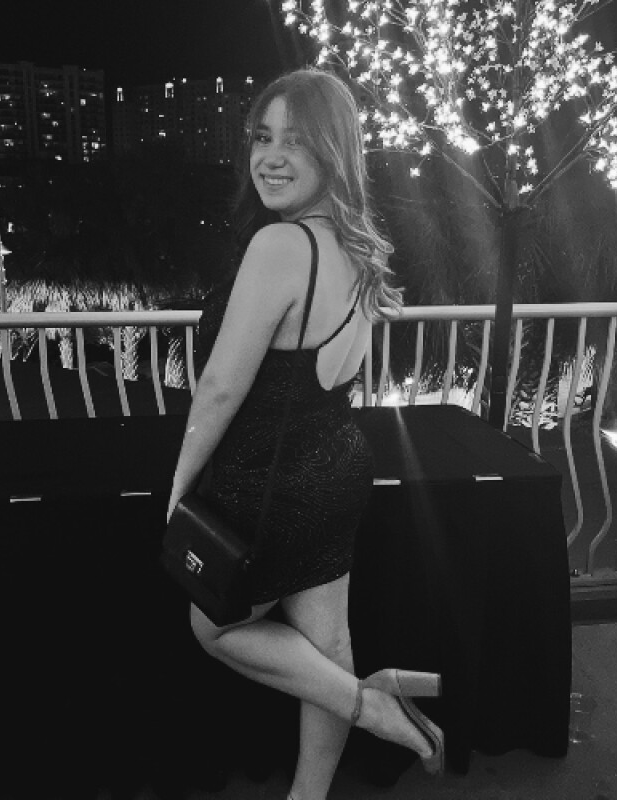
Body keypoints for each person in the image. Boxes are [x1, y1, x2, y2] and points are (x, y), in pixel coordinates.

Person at [167, 67, 444, 800]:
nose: (270, 157)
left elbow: (221, 388)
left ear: (333, 151)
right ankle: (309, 794)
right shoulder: (358, 246)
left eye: (295, 141)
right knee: (327, 643)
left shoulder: (281, 246)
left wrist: (179, 484)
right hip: (336, 463)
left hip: (270, 477)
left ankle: (375, 710)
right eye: (262, 137)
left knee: (214, 627)